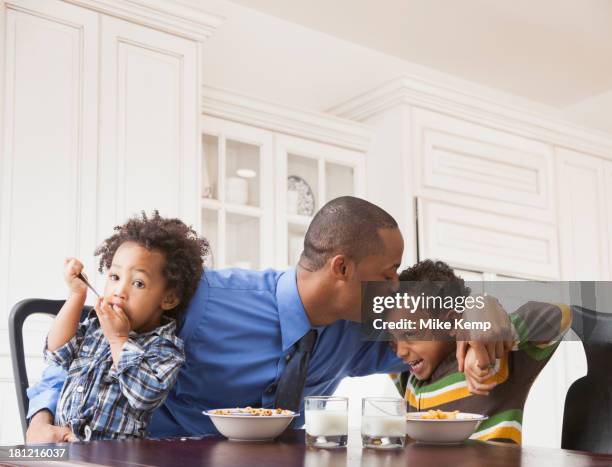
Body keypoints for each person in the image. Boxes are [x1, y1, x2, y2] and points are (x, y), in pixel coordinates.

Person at [26, 197, 503, 443]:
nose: (395, 287)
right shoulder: (204, 298)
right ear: (342, 269)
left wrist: (479, 308)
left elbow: (438, 327)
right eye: (387, 274)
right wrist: (39, 420)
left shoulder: (359, 330)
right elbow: (86, 348)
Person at [43, 211, 208, 441]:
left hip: (115, 458)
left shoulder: (165, 348)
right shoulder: (95, 327)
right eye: (115, 277)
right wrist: (76, 295)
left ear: (168, 299)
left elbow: (145, 395)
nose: (120, 291)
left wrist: (118, 340)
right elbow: (57, 353)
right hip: (64, 449)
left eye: (138, 283)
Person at [390, 260, 572, 444]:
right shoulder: (410, 379)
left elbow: (562, 314)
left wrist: (490, 334)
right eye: (393, 339)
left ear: (451, 322)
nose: (400, 351)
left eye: (410, 333)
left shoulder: (496, 358)